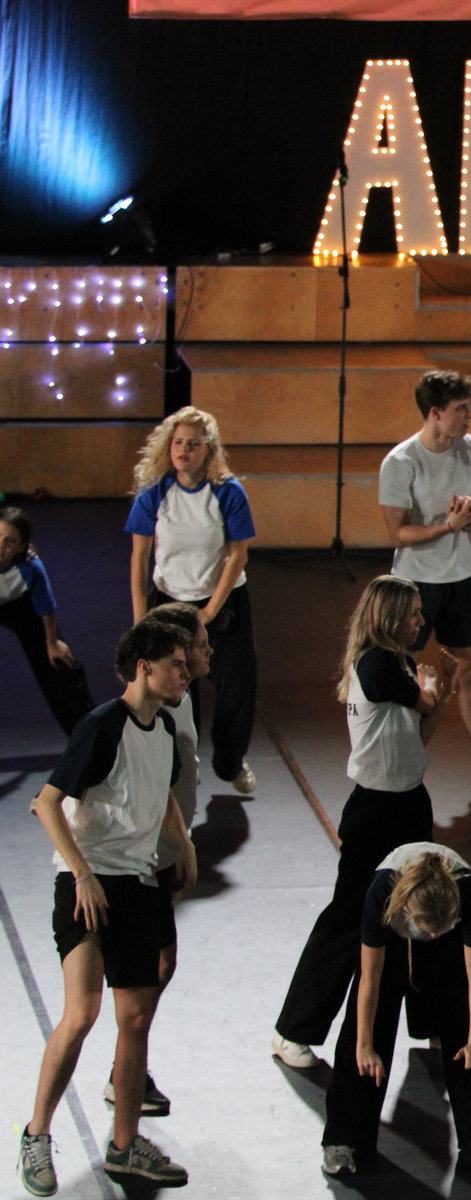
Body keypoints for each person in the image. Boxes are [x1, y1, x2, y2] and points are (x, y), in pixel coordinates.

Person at [19, 619, 197, 1196]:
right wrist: (82, 874)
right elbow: (46, 804)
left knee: (136, 1020)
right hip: (88, 884)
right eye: (176, 664)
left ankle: (124, 1145)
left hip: (138, 883)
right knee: (81, 1015)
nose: (186, 672)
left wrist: (184, 843)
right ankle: (36, 1134)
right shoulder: (101, 727)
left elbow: (163, 790)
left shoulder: (163, 727)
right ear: (144, 668)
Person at [272, 575, 446, 1069]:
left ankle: (430, 1022)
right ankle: (293, 1030)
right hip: (375, 811)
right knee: (350, 917)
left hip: (410, 802)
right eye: (413, 613)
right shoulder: (376, 664)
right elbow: (424, 702)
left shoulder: (400, 663)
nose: (421, 621)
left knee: (422, 913)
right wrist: (433, 688)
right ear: (389, 617)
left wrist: (438, 690)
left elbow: (417, 734)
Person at [321, 842, 471, 1180]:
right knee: (362, 1034)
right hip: (394, 935)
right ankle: (345, 1139)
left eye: (440, 928)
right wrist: (365, 1045)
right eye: (429, 930)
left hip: (450, 941)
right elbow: (370, 976)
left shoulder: (466, 890)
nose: (433, 935)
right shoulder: (382, 892)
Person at [378, 369, 471, 804]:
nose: (468, 417)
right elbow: (397, 533)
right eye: (460, 410)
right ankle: (395, 767)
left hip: (462, 579)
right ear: (435, 413)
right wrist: (447, 526)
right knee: (403, 676)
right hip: (416, 584)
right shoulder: (401, 462)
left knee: (470, 670)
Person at [102, 603, 211, 1121]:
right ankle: (124, 1075)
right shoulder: (154, 709)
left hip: (168, 850)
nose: (208, 652)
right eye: (200, 645)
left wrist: (184, 843)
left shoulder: (180, 700)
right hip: (142, 860)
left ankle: (126, 1068)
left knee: (163, 965)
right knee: (140, 982)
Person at [126, 406, 258, 795]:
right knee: (174, 691)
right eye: (178, 443)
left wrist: (211, 610)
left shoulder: (227, 492)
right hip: (169, 602)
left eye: (193, 444)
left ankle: (230, 763)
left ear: (208, 450)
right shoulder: (154, 492)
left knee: (237, 691)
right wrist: (141, 616)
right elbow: (139, 556)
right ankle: (183, 765)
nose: (183, 450)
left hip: (223, 604)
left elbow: (238, 555)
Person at [0, 505, 95, 735]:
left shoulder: (31, 567)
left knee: (58, 663)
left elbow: (46, 607)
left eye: (9, 542)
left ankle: (87, 736)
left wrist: (52, 642)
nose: (0, 546)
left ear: (20, 546)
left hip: (20, 605)